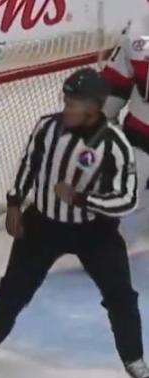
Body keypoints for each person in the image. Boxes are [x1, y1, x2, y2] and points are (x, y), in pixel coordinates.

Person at [0, 68, 149, 378]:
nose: (66, 106)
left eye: (74, 102)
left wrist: (81, 199)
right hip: (42, 225)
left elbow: (127, 199)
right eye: (66, 99)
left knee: (121, 296)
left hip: (95, 232)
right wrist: (16, 204)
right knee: (15, 286)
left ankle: (135, 360)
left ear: (96, 107)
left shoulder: (115, 144)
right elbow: (28, 165)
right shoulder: (47, 127)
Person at [103, 16, 149, 245]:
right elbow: (116, 83)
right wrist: (99, 126)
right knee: (119, 231)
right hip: (139, 144)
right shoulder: (138, 35)